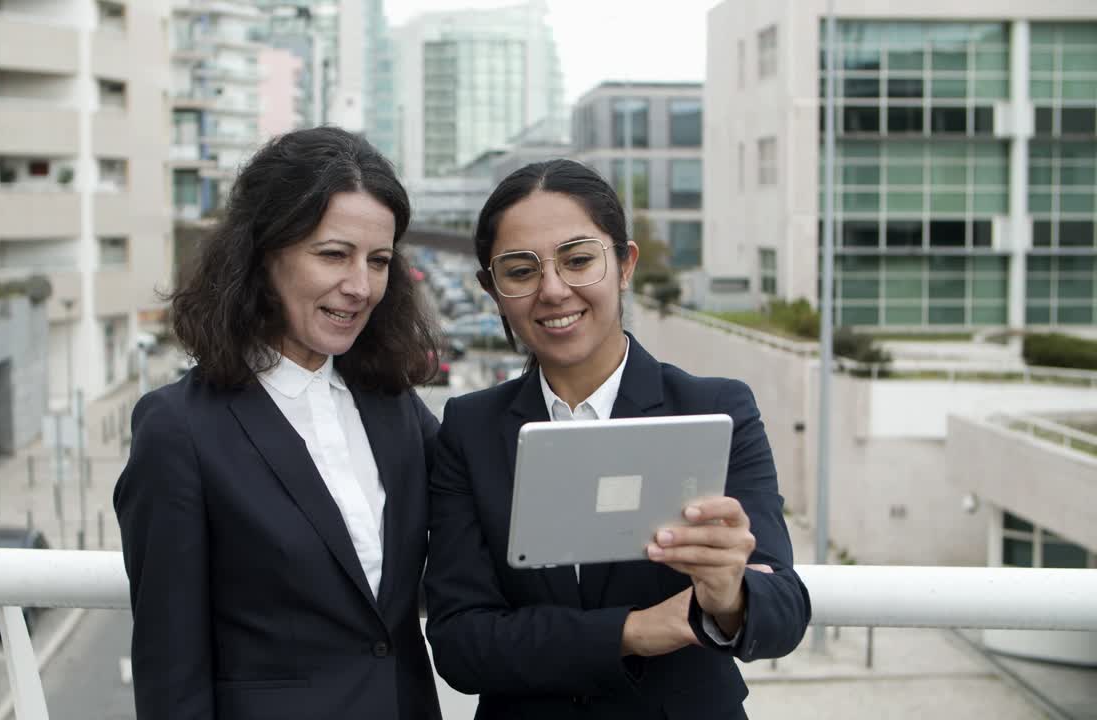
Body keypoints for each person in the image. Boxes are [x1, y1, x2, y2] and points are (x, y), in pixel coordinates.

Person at [423, 159, 810, 719]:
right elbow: (461, 643)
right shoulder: (470, 429)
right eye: (521, 271)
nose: (553, 290)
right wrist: (637, 631)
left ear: (625, 264)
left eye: (579, 260)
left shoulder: (714, 409)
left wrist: (729, 595)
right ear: (492, 288)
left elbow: (784, 613)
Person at [114, 126, 444, 720]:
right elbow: (171, 672)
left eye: (379, 261)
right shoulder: (178, 430)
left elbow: (483, 515)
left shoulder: (393, 407)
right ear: (264, 254)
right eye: (333, 254)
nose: (360, 287)